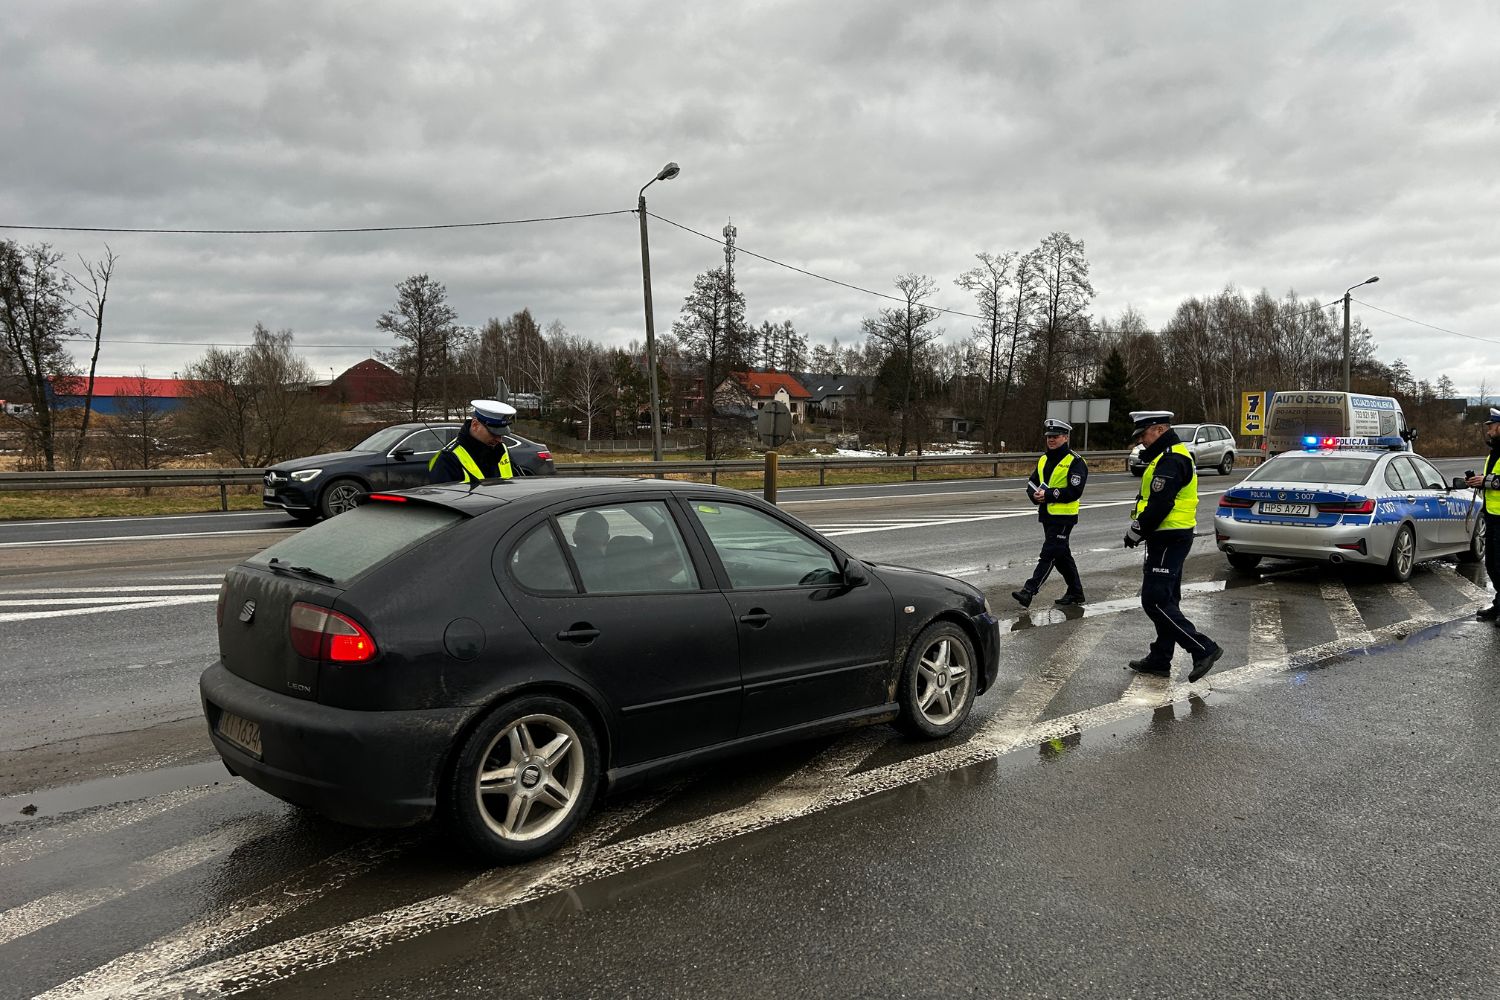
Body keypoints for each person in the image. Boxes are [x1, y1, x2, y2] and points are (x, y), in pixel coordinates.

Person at [1122, 410, 1223, 681]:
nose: (1141, 442)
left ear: (1158, 430)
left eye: (1143, 435)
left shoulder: (1171, 459)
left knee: (1154, 601)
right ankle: (1160, 657)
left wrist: (1137, 531)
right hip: (1170, 536)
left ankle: (1203, 648)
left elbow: (1160, 504)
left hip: (1169, 537)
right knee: (1168, 600)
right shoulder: (1166, 456)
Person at [1012, 417, 1088, 608]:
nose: (1051, 440)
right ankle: (1076, 592)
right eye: (1049, 436)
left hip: (1064, 517)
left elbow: (1074, 491)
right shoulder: (1044, 459)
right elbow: (1032, 482)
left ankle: (1029, 591)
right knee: (1062, 557)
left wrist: (1048, 494)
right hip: (1047, 515)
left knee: (1049, 554)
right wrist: (1034, 495)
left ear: (1065, 437)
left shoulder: (1076, 461)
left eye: (1055, 436)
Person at [1464, 406, 1500, 624]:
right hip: (1493, 515)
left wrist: (1486, 481)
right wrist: (1479, 480)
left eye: (1492, 427)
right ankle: (1498, 605)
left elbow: (1495, 480)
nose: (1488, 431)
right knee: (1492, 565)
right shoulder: (1494, 451)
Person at [428, 399, 516, 484]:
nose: (499, 439)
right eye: (493, 433)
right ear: (475, 425)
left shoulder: (501, 449)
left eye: (501, 435)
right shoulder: (448, 459)